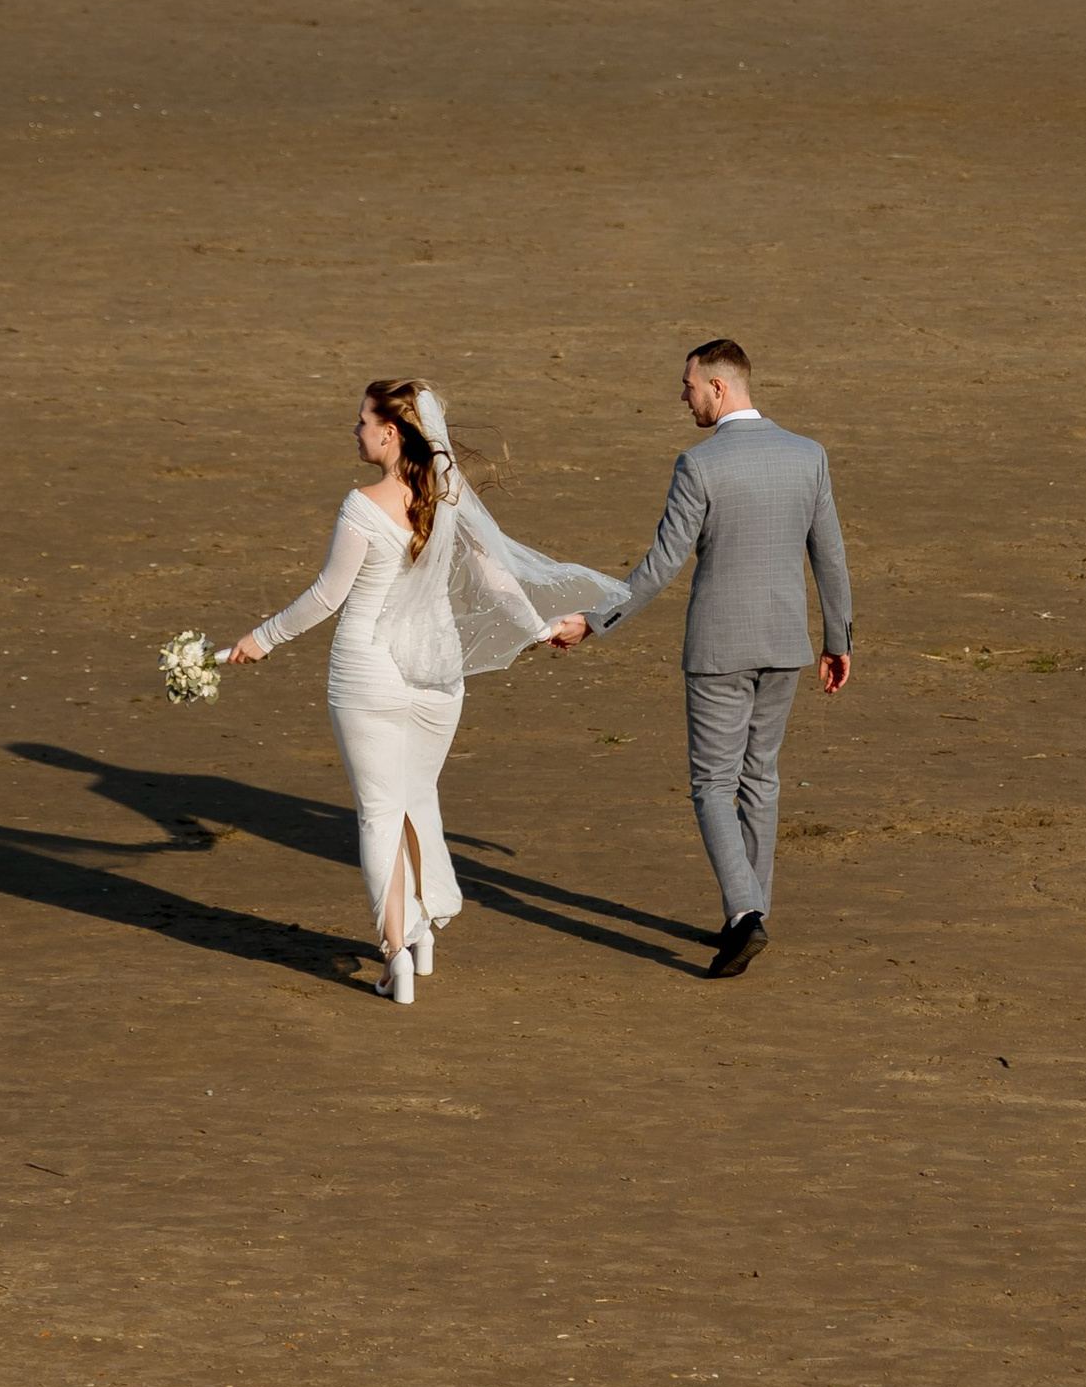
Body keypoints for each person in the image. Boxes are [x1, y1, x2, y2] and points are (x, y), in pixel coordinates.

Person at [224, 380, 619, 1004]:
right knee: (417, 799)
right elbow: (493, 579)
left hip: (369, 674)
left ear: (389, 432)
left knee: (380, 813)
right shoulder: (448, 497)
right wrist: (541, 628)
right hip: (437, 679)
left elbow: (328, 596)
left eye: (360, 422)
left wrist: (262, 638)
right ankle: (423, 935)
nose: (353, 431)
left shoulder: (363, 505)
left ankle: (395, 955)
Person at [550, 337, 852, 980]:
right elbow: (830, 554)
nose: (682, 398)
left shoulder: (700, 465)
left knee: (714, 784)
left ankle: (745, 914)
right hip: (784, 648)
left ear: (719, 386)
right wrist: (837, 641)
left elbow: (661, 566)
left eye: (687, 386)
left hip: (719, 650)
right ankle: (750, 912)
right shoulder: (808, 456)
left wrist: (593, 620)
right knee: (761, 779)